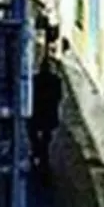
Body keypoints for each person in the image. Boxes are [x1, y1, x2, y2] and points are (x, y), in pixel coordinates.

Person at [29, 27, 64, 175]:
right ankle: (42, 155)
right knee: (46, 138)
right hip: (49, 115)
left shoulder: (35, 80)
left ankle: (38, 152)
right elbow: (59, 96)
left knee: (33, 133)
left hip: (36, 114)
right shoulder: (55, 80)